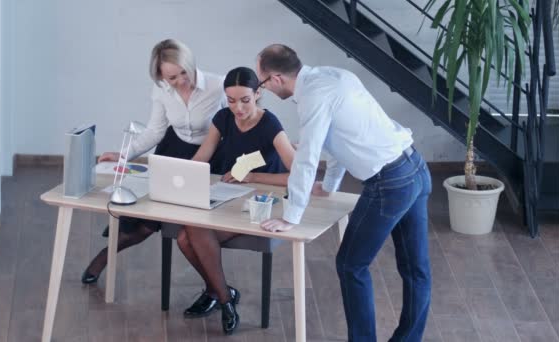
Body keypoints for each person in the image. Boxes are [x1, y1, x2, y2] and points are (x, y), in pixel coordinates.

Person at [256, 44, 432, 342]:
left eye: (262, 83)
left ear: (276, 79)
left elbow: (309, 155)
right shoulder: (333, 76)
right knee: (416, 269)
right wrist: (330, 186)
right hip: (415, 166)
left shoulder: (312, 97)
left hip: (390, 183)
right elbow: (337, 138)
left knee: (351, 264)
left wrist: (291, 215)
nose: (265, 90)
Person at [81, 39, 227, 284]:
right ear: (160, 76)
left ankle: (215, 289)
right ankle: (104, 256)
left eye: (184, 72)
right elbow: (155, 131)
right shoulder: (160, 90)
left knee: (190, 229)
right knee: (147, 221)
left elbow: (235, 127)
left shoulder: (218, 85)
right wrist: (124, 154)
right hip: (173, 149)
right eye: (172, 78)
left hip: (210, 156)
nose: (181, 81)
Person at [176, 66, 295, 335]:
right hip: (229, 195)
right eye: (231, 101)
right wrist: (178, 178)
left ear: (258, 93)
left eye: (245, 100)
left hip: (263, 202)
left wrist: (252, 176)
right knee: (185, 237)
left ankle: (220, 296)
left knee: (189, 235)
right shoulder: (223, 118)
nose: (238, 108)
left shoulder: (271, 125)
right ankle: (223, 294)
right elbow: (201, 158)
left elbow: (296, 176)